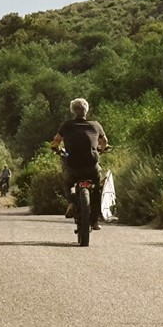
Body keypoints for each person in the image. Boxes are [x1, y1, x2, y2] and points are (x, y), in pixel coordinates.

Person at [51, 98, 109, 230]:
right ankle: (94, 221)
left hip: (73, 166)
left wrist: (57, 149)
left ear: (73, 111)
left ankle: (71, 203)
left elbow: (56, 141)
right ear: (86, 110)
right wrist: (102, 149)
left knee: (67, 183)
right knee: (97, 188)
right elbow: (104, 140)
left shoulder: (67, 125)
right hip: (92, 166)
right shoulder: (95, 125)